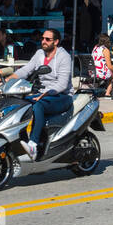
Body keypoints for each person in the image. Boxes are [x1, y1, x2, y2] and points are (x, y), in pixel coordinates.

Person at [12, 28, 73, 159]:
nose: (43, 41)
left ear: (56, 42)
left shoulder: (64, 57)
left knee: (38, 105)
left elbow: (62, 84)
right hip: (43, 94)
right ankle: (21, 141)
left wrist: (45, 94)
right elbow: (27, 69)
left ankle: (33, 145)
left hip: (62, 96)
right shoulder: (40, 53)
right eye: (42, 38)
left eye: (47, 39)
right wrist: (9, 78)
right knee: (20, 105)